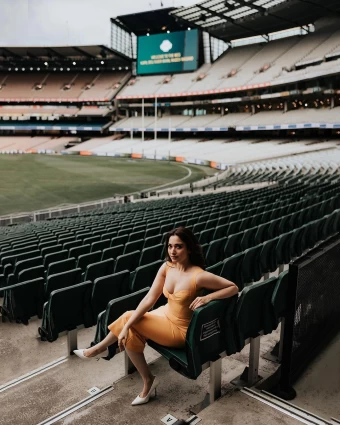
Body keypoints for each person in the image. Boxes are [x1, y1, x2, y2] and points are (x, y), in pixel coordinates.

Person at [74, 227, 238, 406]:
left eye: (178, 247)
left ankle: (100, 350)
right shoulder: (167, 266)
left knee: (128, 320)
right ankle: (145, 378)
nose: (172, 251)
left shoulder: (198, 276)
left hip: (179, 330)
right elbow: (149, 298)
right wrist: (128, 326)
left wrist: (208, 297)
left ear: (189, 248)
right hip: (164, 314)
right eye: (170, 246)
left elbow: (233, 287)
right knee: (131, 327)